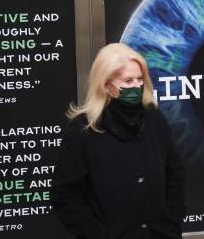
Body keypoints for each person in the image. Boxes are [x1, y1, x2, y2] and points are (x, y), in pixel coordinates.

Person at [51, 43, 185, 239]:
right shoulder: (84, 129)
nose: (137, 86)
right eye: (128, 81)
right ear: (107, 85)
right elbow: (65, 196)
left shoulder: (154, 119)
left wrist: (172, 223)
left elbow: (175, 173)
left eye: (140, 79)